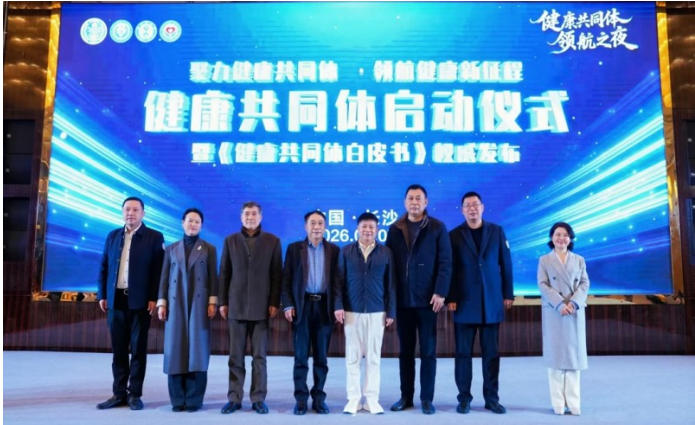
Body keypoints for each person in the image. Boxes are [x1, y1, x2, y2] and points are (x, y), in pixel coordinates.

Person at [386, 184, 452, 415]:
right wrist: (390, 299)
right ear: (405, 202)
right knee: (405, 352)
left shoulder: (437, 227)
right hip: (403, 301)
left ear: (426, 202)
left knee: (428, 352)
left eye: (418, 198)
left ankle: (426, 399)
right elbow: (390, 266)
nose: (414, 202)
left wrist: (441, 291)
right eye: (410, 198)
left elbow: (445, 262)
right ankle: (406, 397)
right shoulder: (395, 229)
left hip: (428, 300)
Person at [96, 196, 164, 410]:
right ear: (122, 212)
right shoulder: (113, 235)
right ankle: (118, 394)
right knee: (118, 350)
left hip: (140, 302)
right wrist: (102, 294)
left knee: (138, 350)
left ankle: (134, 394)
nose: (131, 213)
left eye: (135, 210)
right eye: (127, 209)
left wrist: (153, 297)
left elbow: (158, 271)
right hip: (115, 300)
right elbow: (104, 266)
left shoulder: (154, 237)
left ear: (143, 213)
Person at [448, 191, 513, 415]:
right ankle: (464, 398)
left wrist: (508, 293)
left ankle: (492, 399)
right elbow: (450, 269)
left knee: (491, 355)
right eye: (467, 205)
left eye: (475, 204)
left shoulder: (497, 231)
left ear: (482, 207)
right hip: (464, 303)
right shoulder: (454, 235)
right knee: (462, 355)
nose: (472, 208)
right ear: (462, 210)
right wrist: (451, 297)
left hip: (490, 302)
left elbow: (506, 264)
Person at [219, 201, 282, 414]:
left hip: (262, 307)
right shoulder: (230, 241)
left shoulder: (273, 241)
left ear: (260, 217)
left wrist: (274, 302)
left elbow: (276, 274)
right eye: (246, 214)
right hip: (236, 306)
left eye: (254, 214)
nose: (250, 217)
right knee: (235, 357)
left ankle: (258, 398)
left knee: (259, 357)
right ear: (241, 217)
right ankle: (234, 398)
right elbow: (224, 273)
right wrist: (223, 302)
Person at [334, 212, 396, 415]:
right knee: (352, 358)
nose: (367, 230)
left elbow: (391, 285)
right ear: (358, 229)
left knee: (373, 358)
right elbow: (338, 282)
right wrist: (338, 306)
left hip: (377, 312)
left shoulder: (386, 253)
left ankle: (371, 399)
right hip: (352, 311)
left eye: (371, 227)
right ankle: (353, 399)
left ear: (377, 230)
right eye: (364, 227)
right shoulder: (346, 251)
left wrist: (391, 311)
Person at [157, 208, 218, 412]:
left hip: (199, 305)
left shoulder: (209, 249)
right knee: (175, 349)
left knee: (197, 351)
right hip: (176, 304)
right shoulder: (171, 249)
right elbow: (164, 277)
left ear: (201, 225)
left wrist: (212, 302)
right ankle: (177, 399)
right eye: (190, 221)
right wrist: (162, 303)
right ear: (183, 223)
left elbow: (213, 278)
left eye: (197, 222)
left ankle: (194, 399)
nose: (193, 224)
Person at [281, 210, 340, 415]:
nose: (316, 227)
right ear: (306, 226)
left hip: (324, 308)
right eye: (312, 223)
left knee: (321, 358)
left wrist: (337, 306)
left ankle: (319, 398)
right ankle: (300, 400)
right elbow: (286, 279)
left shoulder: (334, 250)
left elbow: (337, 283)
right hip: (302, 307)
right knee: (301, 357)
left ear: (325, 226)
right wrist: (288, 305)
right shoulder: (294, 249)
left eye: (320, 223)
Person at [537, 222, 589, 416]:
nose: (561, 238)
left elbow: (584, 283)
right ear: (552, 237)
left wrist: (574, 303)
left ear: (570, 238)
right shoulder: (544, 260)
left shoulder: (579, 260)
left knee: (574, 360)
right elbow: (543, 284)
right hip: (554, 312)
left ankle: (574, 404)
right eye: (558, 234)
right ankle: (558, 404)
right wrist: (560, 304)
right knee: (556, 359)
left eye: (565, 235)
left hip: (574, 311)